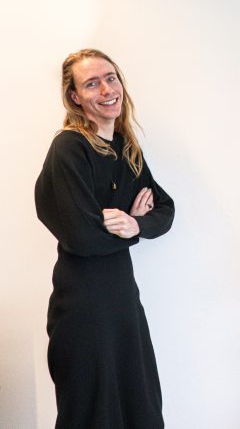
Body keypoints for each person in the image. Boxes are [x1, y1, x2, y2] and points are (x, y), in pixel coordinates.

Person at [35, 49, 174, 428]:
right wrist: (133, 226)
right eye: (91, 83)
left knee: (141, 409)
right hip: (82, 307)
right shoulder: (69, 147)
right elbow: (82, 236)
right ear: (76, 97)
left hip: (124, 304)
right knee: (94, 415)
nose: (106, 89)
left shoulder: (127, 149)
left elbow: (165, 210)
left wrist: (134, 224)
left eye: (110, 78)